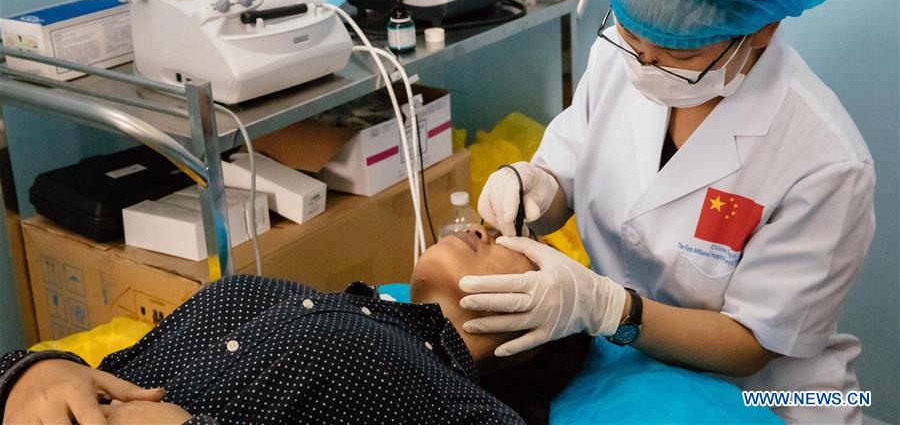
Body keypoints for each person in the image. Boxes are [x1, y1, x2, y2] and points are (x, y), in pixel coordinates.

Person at [466, 0, 875, 424]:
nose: (645, 64)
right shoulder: (621, 55)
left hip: (772, 393)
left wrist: (609, 308)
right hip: (625, 368)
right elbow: (564, 176)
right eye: (633, 36)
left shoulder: (826, 161)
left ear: (761, 30)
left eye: (678, 55)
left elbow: (753, 343)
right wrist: (535, 188)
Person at [0, 224, 589, 425]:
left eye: (521, 249)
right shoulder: (277, 294)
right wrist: (37, 370)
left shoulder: (460, 404)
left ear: (534, 339)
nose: (487, 230)